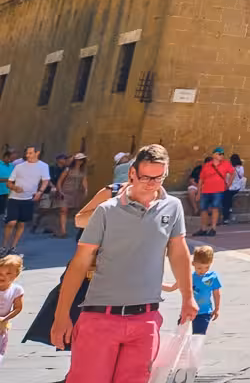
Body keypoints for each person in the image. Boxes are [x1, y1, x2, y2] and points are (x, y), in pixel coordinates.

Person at [51, 144, 197, 380]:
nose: (151, 183)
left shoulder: (173, 206)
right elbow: (79, 264)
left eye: (158, 178)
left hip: (146, 320)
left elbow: (178, 252)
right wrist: (61, 316)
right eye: (145, 177)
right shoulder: (106, 210)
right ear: (132, 173)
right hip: (100, 318)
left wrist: (188, 297)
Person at [3, 147, 52, 254]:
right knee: (11, 222)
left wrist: (40, 192)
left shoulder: (43, 166)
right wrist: (15, 188)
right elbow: (9, 183)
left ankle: (13, 247)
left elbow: (45, 181)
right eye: (27, 153)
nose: (27, 155)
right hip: (14, 198)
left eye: (30, 153)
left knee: (21, 224)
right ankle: (4, 246)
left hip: (28, 198)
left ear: (37, 153)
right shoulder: (19, 166)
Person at [164, 245, 221, 337]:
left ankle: (193, 351)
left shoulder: (213, 277)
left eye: (207, 267)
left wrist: (217, 308)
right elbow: (172, 287)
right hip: (187, 312)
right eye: (199, 268)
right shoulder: (189, 277)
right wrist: (156, 285)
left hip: (204, 313)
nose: (203, 271)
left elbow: (216, 293)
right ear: (193, 263)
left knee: (197, 336)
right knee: (180, 336)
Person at [196, 148, 235, 237]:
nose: (221, 155)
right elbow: (201, 179)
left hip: (218, 190)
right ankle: (203, 228)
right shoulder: (207, 165)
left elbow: (233, 173)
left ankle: (213, 228)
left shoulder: (226, 164)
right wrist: (198, 192)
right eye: (219, 154)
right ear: (214, 155)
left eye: (222, 154)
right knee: (203, 209)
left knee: (215, 208)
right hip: (206, 190)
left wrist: (229, 184)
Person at [57, 153, 91, 238]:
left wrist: (86, 190)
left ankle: (72, 227)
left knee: (74, 211)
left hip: (76, 193)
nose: (80, 162)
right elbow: (60, 181)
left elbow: (84, 181)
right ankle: (63, 231)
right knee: (63, 211)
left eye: (82, 160)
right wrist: (60, 191)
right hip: (65, 192)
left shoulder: (82, 171)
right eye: (79, 160)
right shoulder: (68, 169)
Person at [0, 253, 23, 368]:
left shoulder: (16, 290)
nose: (2, 276)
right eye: (0, 273)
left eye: (8, 273)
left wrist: (5, 318)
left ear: (16, 275)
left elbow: (18, 308)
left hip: (2, 324)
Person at [222, 153, 246, 225]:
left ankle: (226, 216)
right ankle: (229, 210)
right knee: (228, 198)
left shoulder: (230, 168)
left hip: (230, 187)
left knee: (226, 199)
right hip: (238, 187)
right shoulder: (241, 168)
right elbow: (241, 176)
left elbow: (227, 178)